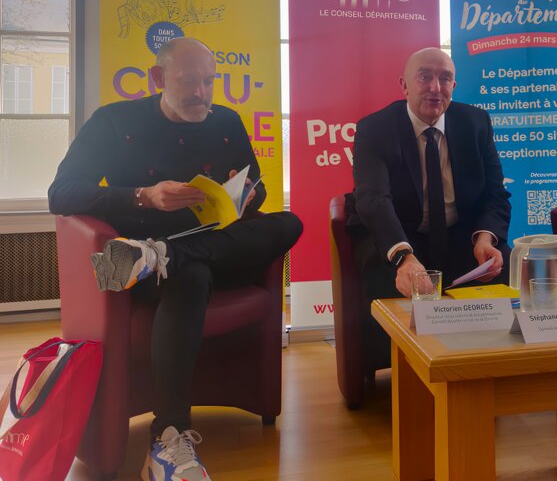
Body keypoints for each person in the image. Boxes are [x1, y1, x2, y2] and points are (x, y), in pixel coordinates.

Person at [48, 37, 302, 481]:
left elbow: (254, 190)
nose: (201, 93)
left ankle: (163, 254)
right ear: (158, 78)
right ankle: (168, 438)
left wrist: (242, 196)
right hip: (140, 263)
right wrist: (144, 197)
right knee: (189, 277)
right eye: (188, 82)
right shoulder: (114, 121)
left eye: (209, 82)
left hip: (210, 246)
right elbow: (62, 194)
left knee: (289, 223)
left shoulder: (226, 120)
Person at [347, 47, 511, 305]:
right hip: (399, 232)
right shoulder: (375, 128)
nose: (436, 87)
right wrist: (403, 256)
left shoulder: (476, 123)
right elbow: (373, 198)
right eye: (424, 77)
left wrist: (485, 237)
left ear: (453, 85)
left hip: (461, 233)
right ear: (404, 85)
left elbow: (495, 193)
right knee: (386, 280)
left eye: (445, 79)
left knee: (501, 262)